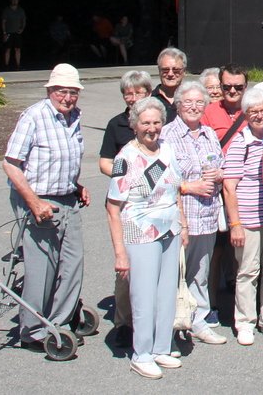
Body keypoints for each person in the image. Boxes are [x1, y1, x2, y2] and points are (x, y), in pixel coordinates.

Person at [2, 64, 89, 348]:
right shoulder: (34, 117)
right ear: (50, 90)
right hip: (37, 200)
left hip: (67, 198)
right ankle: (33, 331)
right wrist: (33, 202)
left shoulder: (75, 117)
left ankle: (60, 324)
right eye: (62, 91)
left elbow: (65, 158)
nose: (67, 97)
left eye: (72, 92)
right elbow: (11, 164)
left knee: (73, 264)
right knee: (43, 268)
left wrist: (76, 184)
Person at [105, 97, 187, 379]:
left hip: (170, 229)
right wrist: (119, 253)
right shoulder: (124, 159)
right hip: (139, 232)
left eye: (156, 122)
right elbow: (113, 207)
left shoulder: (167, 149)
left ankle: (162, 347)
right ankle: (141, 353)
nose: (152, 128)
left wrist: (183, 224)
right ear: (134, 125)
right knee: (143, 295)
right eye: (145, 123)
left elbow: (176, 191)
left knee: (167, 292)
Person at [161, 81, 229, 346]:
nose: (193, 107)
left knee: (200, 273)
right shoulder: (166, 135)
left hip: (208, 215)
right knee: (173, 273)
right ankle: (169, 327)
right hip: (181, 217)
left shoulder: (209, 134)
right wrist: (189, 186)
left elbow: (220, 167)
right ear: (177, 105)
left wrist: (219, 175)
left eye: (199, 102)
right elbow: (159, 179)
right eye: (187, 102)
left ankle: (199, 321)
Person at [98, 70, 155, 343]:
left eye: (138, 92)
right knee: (127, 263)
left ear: (148, 93)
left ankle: (151, 318)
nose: (133, 97)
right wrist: (128, 178)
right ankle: (123, 321)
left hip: (154, 205)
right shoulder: (116, 124)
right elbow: (104, 162)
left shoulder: (157, 121)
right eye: (128, 93)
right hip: (125, 204)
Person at [222, 90, 263, 345]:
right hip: (247, 219)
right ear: (245, 115)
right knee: (247, 271)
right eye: (253, 112)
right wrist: (235, 224)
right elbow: (229, 187)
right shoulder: (240, 143)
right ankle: (244, 322)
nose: (259, 115)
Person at [202, 64, 248, 149]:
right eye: (227, 87)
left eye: (238, 87)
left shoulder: (255, 111)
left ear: (246, 86)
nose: (232, 91)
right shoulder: (207, 112)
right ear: (221, 86)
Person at [154, 48, 188, 121]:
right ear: (159, 71)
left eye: (176, 70)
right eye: (165, 70)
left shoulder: (191, 99)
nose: (170, 74)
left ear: (184, 71)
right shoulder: (149, 99)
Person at [1, 0, 27, 68]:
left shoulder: (20, 10)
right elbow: (3, 22)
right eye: (13, 0)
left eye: (16, 0)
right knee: (8, 49)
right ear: (11, 0)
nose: (15, 1)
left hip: (17, 33)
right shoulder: (7, 10)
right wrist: (4, 33)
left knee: (18, 49)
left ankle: (18, 65)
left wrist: (22, 29)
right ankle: (6, 65)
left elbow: (23, 21)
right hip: (9, 32)